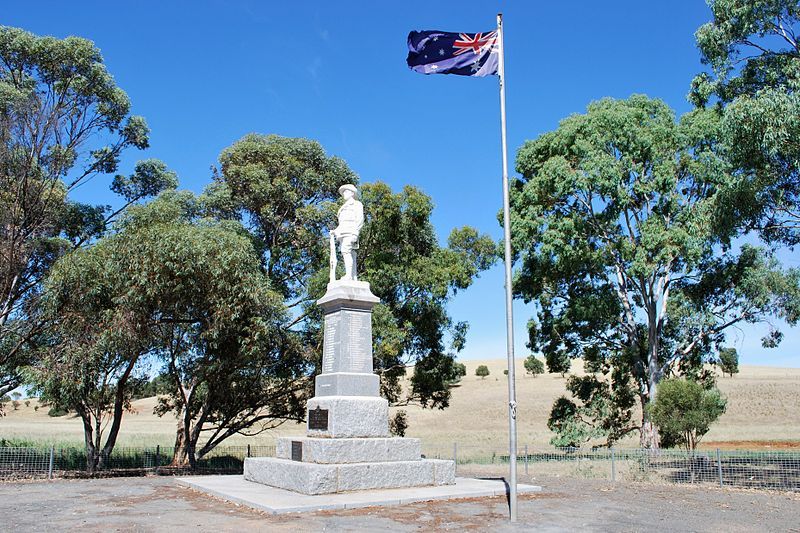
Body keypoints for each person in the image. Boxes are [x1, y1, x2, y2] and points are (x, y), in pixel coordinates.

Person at [332, 184, 364, 281]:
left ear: (352, 193)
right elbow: (342, 222)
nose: (344, 194)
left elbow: (360, 219)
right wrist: (335, 231)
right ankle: (353, 276)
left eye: (346, 191)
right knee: (349, 253)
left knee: (345, 250)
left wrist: (356, 233)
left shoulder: (357, 204)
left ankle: (349, 276)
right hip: (342, 233)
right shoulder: (342, 207)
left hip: (351, 231)